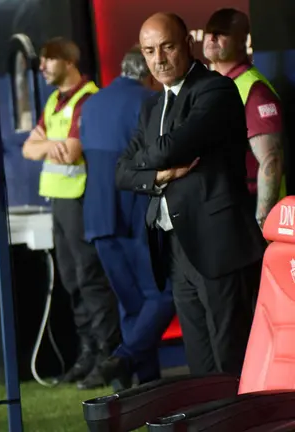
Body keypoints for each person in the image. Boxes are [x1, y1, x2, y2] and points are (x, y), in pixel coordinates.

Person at [115, 12, 267, 376]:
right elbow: (121, 173)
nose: (159, 59)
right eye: (150, 51)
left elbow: (170, 148)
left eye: (167, 47)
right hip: (176, 247)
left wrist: (149, 163)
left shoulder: (215, 90)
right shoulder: (151, 106)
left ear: (187, 44)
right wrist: (160, 174)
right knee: (200, 366)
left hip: (219, 247)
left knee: (231, 360)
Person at [21, 37, 120, 385]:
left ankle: (108, 357)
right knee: (71, 280)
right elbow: (28, 149)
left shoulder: (88, 98)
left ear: (67, 60)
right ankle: (87, 353)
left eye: (48, 60)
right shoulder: (54, 101)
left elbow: (73, 149)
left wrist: (47, 146)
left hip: (80, 199)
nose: (42, 67)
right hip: (58, 201)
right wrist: (52, 146)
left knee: (90, 280)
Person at [78, 47, 174, 390]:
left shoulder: (91, 104)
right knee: (162, 296)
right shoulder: (150, 102)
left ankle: (141, 385)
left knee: (132, 303)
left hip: (98, 216)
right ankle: (126, 357)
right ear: (148, 73)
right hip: (137, 211)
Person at [203, 8, 285, 226]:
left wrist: (262, 221)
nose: (211, 38)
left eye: (221, 33)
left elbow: (271, 160)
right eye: (209, 32)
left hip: (249, 206)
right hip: (225, 204)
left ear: (242, 41)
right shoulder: (216, 84)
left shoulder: (254, 89)